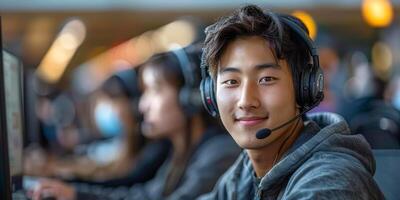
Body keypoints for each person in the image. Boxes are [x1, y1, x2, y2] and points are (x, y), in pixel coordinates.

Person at [198, 5, 384, 199]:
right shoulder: (245, 173)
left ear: (304, 88)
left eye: (266, 79)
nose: (246, 101)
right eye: (231, 82)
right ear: (210, 93)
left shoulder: (332, 183)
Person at [31, 44, 241, 200]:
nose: (143, 106)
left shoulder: (217, 153)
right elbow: (145, 195)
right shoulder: (181, 153)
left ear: (190, 97)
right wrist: (75, 194)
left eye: (155, 90)